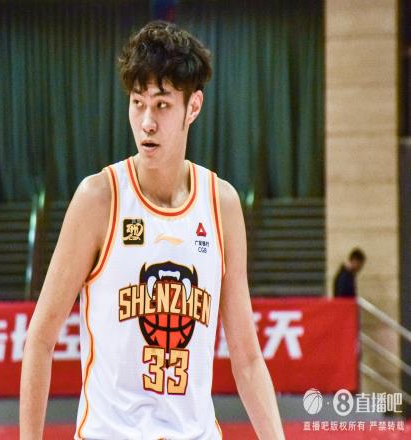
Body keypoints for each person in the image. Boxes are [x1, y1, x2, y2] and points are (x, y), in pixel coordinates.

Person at [20, 20, 285, 440]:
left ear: (193, 107)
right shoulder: (98, 199)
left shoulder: (222, 204)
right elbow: (40, 339)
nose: (146, 121)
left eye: (162, 105)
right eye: (137, 102)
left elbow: (248, 359)